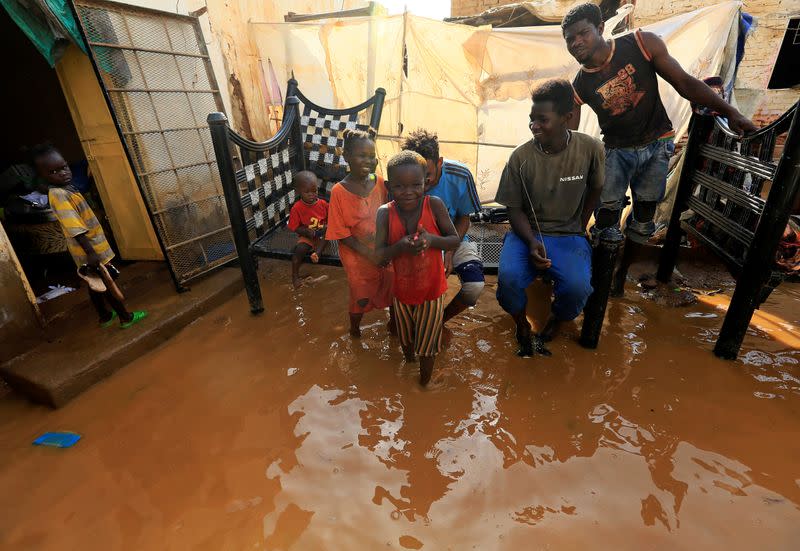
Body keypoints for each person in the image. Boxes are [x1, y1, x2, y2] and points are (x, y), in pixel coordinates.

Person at [562, 2, 757, 294]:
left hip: (657, 145)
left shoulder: (641, 44)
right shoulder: (579, 84)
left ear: (601, 28)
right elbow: (570, 134)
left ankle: (620, 274)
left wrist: (732, 113)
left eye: (582, 34)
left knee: (643, 219)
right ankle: (600, 275)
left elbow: (683, 82)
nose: (576, 43)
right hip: (616, 152)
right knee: (605, 217)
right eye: (569, 39)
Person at [495, 79, 605, 356]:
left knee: (578, 288)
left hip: (568, 234)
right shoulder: (520, 158)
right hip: (526, 233)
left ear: (567, 118)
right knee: (507, 280)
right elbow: (513, 209)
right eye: (532, 119)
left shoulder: (591, 149)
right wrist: (531, 241)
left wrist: (580, 225)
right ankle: (521, 324)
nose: (534, 125)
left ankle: (557, 320)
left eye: (542, 119)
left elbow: (596, 187)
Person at [33, 144, 146, 328]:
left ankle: (104, 316)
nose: (63, 173)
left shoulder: (68, 188)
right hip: (89, 249)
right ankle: (125, 317)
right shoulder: (59, 195)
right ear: (43, 176)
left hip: (91, 247)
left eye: (64, 167)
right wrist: (91, 253)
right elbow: (74, 227)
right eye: (54, 171)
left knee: (94, 283)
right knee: (107, 283)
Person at [375, 151, 460, 385]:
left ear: (426, 182)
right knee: (406, 339)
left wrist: (432, 241)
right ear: (390, 186)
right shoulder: (384, 214)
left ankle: (423, 384)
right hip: (401, 293)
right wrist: (400, 247)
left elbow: (454, 240)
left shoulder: (434, 205)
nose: (408, 192)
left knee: (428, 346)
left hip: (431, 292)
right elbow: (378, 256)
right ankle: (408, 365)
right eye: (400, 186)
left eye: (416, 185)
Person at [400, 129, 485, 323]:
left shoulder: (461, 175)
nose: (420, 184)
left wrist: (449, 251)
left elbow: (464, 217)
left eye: (427, 175)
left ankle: (439, 322)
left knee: (475, 286)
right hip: (416, 242)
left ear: (439, 163)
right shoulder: (402, 180)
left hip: (455, 239)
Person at [326, 129, 394, 337]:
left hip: (382, 250)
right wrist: (370, 254)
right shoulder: (338, 191)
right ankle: (354, 330)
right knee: (360, 296)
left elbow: (391, 215)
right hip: (356, 255)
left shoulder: (381, 183)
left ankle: (394, 325)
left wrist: (383, 252)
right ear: (347, 156)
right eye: (361, 156)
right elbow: (342, 235)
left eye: (372, 156)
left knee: (391, 285)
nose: (368, 161)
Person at [287, 170, 328, 288]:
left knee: (329, 232)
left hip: (322, 235)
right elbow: (294, 227)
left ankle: (317, 254)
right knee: (299, 251)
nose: (312, 194)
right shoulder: (297, 208)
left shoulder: (323, 204)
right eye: (307, 192)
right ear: (299, 192)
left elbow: (332, 219)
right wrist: (305, 231)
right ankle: (295, 275)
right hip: (308, 237)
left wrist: (326, 227)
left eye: (314, 191)